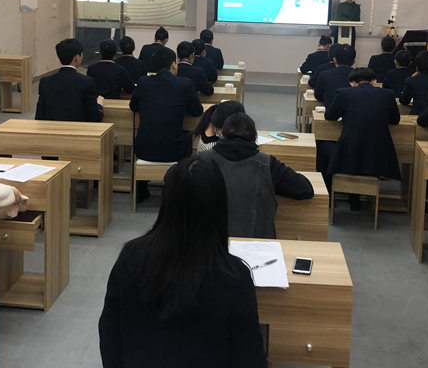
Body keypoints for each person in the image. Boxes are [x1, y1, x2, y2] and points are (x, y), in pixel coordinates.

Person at [98, 155, 266, 367]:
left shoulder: (131, 257)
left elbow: (110, 335)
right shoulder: (234, 276)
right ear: (219, 207)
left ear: (167, 201)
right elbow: (249, 356)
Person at [200, 113, 314, 238]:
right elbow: (305, 189)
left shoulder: (201, 161)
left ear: (222, 135)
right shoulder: (268, 164)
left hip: (210, 242)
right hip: (258, 244)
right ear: (254, 138)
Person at [130, 47, 203, 202]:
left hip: (144, 148)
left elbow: (133, 107)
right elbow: (197, 111)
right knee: (188, 136)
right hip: (173, 150)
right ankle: (178, 188)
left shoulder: (143, 82)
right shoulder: (185, 84)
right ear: (173, 65)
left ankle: (141, 189)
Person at [324, 68, 400, 192]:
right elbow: (395, 120)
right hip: (379, 150)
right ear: (374, 81)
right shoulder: (388, 94)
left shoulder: (344, 93)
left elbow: (329, 115)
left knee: (323, 147)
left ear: (352, 83)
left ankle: (328, 190)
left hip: (351, 147)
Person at [36, 38, 104, 122]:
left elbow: (39, 116)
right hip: (79, 128)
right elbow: (95, 117)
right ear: (77, 57)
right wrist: (99, 105)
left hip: (52, 129)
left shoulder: (45, 81)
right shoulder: (87, 82)